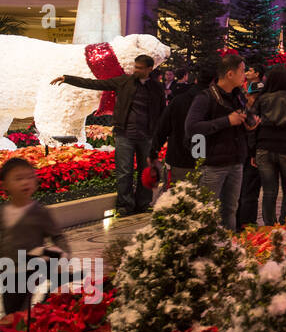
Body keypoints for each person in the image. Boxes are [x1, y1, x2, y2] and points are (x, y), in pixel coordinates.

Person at [51, 53, 164, 216]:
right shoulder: (124, 82)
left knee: (145, 170)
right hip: (124, 134)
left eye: (140, 68)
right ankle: (125, 205)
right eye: (135, 67)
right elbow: (95, 84)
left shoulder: (156, 88)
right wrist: (68, 78)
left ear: (149, 69)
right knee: (124, 171)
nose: (136, 70)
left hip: (146, 136)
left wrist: (159, 134)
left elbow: (161, 111)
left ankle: (143, 204)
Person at [185, 54, 255, 229]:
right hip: (213, 164)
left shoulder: (238, 96)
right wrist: (227, 121)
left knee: (230, 210)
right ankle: (206, 249)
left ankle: (227, 249)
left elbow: (239, 119)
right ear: (230, 74)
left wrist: (248, 124)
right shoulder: (206, 97)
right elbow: (192, 128)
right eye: (242, 71)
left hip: (236, 161)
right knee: (206, 210)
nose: (244, 75)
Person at [0, 157, 71, 316]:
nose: (25, 182)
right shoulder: (3, 212)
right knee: (11, 307)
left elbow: (57, 236)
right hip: (8, 271)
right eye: (18, 179)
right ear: (4, 185)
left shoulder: (39, 212)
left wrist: (63, 256)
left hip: (31, 270)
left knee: (26, 311)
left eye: (30, 177)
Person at [250, 64, 286, 227]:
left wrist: (252, 152)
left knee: (269, 190)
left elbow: (252, 126)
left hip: (264, 147)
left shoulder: (262, 99)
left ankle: (269, 225)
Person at [150, 67, 204, 189]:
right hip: (200, 158)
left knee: (175, 197)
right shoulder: (212, 100)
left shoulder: (181, 100)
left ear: (195, 80)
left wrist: (154, 151)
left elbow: (163, 128)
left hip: (180, 157)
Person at [235, 80, 264, 229]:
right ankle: (242, 222)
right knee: (242, 191)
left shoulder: (262, 112)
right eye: (255, 96)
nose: (257, 99)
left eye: (260, 96)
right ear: (247, 95)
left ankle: (248, 222)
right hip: (243, 156)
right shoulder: (242, 111)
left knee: (251, 191)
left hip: (254, 156)